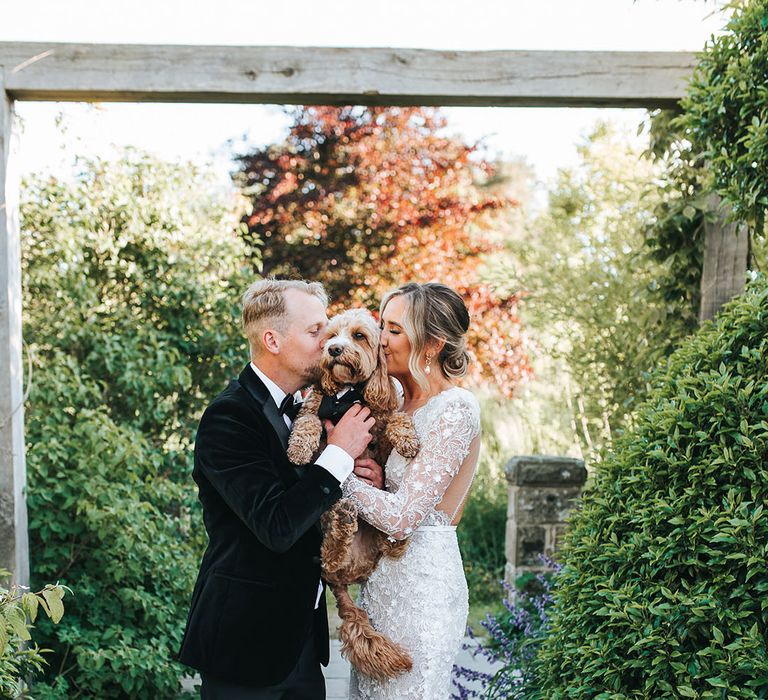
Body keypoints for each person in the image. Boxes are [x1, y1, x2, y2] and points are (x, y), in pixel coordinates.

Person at [178, 278, 383, 699]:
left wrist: (364, 477)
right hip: (243, 648)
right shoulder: (229, 417)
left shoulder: (311, 406)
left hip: (302, 648)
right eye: (315, 332)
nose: (328, 341)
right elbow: (276, 524)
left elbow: (317, 501)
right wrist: (339, 451)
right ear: (272, 340)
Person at [340, 282, 482, 700]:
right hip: (380, 584)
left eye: (395, 330)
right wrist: (374, 480)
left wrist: (334, 469)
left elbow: (403, 519)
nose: (381, 339)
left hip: (422, 591)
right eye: (383, 326)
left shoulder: (456, 408)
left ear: (433, 344)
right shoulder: (398, 401)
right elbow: (398, 494)